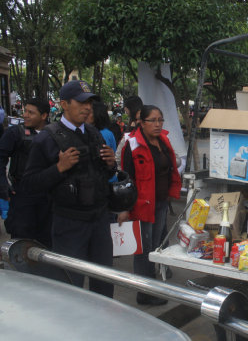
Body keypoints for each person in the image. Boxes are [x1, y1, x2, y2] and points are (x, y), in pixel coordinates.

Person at [21, 80, 118, 298]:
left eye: (90, 103)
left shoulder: (94, 133)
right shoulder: (46, 138)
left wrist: (112, 165)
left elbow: (105, 175)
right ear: (64, 104)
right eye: (82, 102)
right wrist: (59, 168)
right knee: (70, 286)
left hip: (100, 220)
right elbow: (29, 184)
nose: (87, 107)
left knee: (104, 282)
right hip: (69, 223)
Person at [119, 105, 181, 305]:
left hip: (161, 202)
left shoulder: (163, 141)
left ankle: (152, 286)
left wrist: (172, 192)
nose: (157, 124)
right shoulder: (133, 145)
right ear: (141, 123)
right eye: (152, 120)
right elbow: (127, 178)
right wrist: (125, 209)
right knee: (143, 250)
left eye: (160, 120)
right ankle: (144, 293)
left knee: (156, 247)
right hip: (142, 204)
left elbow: (171, 167)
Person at [1, 98, 51, 247]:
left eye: (31, 112)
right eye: (25, 111)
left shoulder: (55, 133)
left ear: (44, 116)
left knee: (47, 239)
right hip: (22, 193)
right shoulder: (15, 133)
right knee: (22, 238)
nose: (25, 115)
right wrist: (4, 186)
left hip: (48, 196)